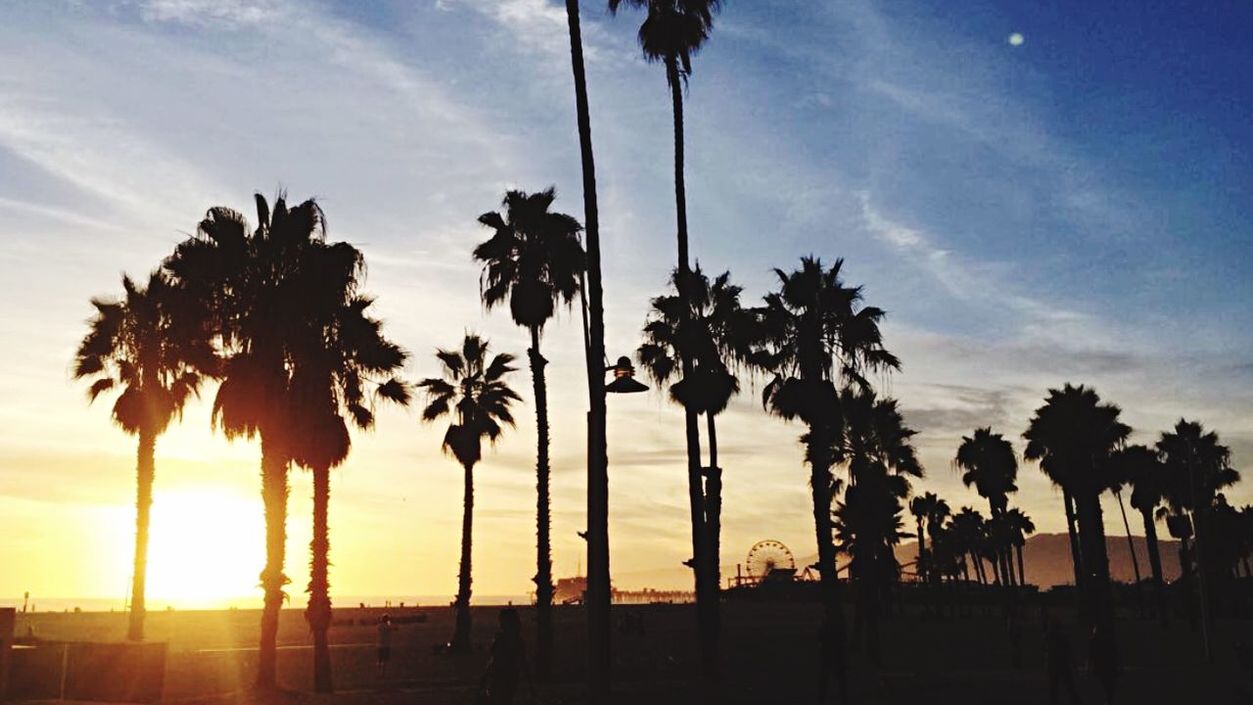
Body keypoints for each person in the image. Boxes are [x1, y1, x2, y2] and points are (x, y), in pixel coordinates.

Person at [478, 608, 532, 705]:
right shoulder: (516, 640)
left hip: (503, 676)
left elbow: (495, 659)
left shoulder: (504, 640)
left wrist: (486, 676)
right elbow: (523, 661)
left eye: (502, 621)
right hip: (509, 676)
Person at [1045, 612, 1082, 705]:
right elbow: (1069, 652)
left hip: (1054, 665)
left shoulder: (1049, 636)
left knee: (1054, 689)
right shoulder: (1062, 636)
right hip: (1062, 664)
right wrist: (1074, 665)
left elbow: (1048, 652)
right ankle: (1076, 701)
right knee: (1069, 687)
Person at [817, 612, 848, 705]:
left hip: (828, 648)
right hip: (836, 648)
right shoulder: (838, 617)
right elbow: (843, 636)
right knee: (839, 676)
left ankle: (821, 698)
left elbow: (820, 635)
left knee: (825, 675)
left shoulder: (826, 618)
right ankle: (844, 699)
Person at [1088, 625, 1119, 705]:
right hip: (1108, 667)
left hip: (1102, 667)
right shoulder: (1109, 640)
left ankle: (1107, 701)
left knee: (1105, 687)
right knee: (1109, 687)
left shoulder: (1094, 641)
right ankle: (1108, 701)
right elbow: (1116, 654)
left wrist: (1088, 668)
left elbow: (1090, 656)